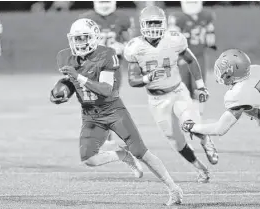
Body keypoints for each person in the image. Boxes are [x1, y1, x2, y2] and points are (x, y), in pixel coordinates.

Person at [50, 18, 183, 206]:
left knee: (141, 151)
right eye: (76, 39)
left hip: (112, 110)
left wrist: (77, 76)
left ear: (94, 37)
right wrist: (61, 93)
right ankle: (122, 155)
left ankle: (173, 189)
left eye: (84, 38)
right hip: (90, 114)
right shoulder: (66, 57)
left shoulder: (106, 54)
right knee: (89, 159)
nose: (79, 43)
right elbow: (70, 83)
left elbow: (105, 89)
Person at [124, 6, 219, 183]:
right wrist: (147, 78)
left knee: (189, 123)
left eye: (156, 22)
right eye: (149, 23)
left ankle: (205, 139)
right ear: (142, 25)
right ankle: (200, 168)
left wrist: (200, 85)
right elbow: (132, 80)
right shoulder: (135, 47)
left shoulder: (174, 39)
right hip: (157, 100)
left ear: (164, 23)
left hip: (177, 92)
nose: (153, 26)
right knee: (176, 141)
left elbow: (191, 59)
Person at [80, 1, 133, 144]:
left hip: (112, 67)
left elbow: (131, 44)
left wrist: (122, 47)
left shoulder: (121, 18)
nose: (104, 4)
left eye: (107, 1)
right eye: (101, 1)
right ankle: (99, 133)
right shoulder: (86, 19)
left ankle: (105, 136)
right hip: (92, 67)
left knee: (109, 101)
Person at [182, 49, 260, 136]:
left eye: (221, 70)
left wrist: (193, 127)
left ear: (230, 73)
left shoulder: (238, 93)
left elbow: (219, 129)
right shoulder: (255, 69)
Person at [168, 1, 217, 114]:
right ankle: (186, 113)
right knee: (183, 86)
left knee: (198, 86)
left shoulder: (206, 16)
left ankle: (196, 114)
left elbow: (210, 37)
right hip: (183, 56)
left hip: (198, 56)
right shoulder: (178, 17)